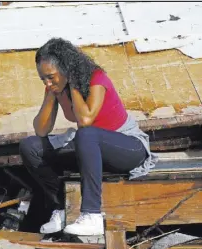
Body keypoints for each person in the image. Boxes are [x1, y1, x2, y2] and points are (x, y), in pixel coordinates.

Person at [19, 38, 158, 236]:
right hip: (91, 150)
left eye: (50, 77)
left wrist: (73, 82)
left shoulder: (96, 78)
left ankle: (91, 215)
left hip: (128, 148)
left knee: (85, 133)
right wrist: (52, 94)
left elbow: (85, 119)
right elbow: (41, 130)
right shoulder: (54, 88)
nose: (47, 83)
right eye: (43, 79)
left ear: (66, 69)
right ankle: (61, 209)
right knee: (30, 146)